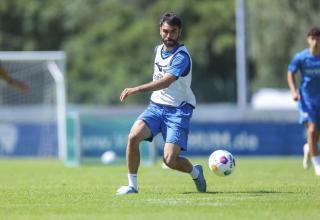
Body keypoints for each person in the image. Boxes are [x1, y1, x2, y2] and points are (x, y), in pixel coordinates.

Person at [116, 12, 206, 195]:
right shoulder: (158, 50)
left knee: (169, 161)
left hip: (178, 110)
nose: (168, 36)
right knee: (133, 137)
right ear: (160, 30)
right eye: (165, 31)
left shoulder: (182, 56)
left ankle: (195, 172)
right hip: (156, 107)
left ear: (179, 31)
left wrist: (136, 89)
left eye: (173, 32)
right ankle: (132, 186)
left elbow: (166, 81)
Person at [287, 26, 320, 176]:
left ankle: (308, 148)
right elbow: (290, 73)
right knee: (312, 129)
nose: (315, 42)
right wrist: (294, 91)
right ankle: (317, 164)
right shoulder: (301, 57)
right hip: (307, 100)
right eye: (313, 38)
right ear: (308, 40)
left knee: (316, 134)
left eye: (318, 39)